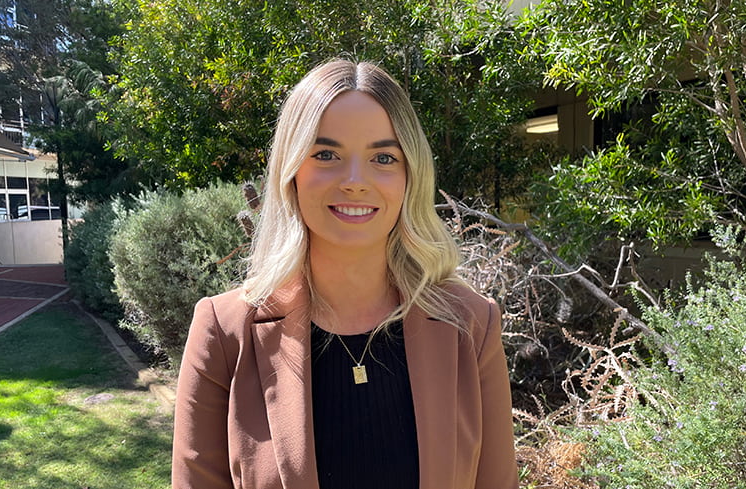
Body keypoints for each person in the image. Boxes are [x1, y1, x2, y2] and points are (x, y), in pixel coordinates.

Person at [172, 59, 517, 489]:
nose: (355, 181)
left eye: (383, 157)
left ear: (411, 176)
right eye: (326, 154)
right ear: (291, 171)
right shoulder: (224, 333)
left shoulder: (471, 325)